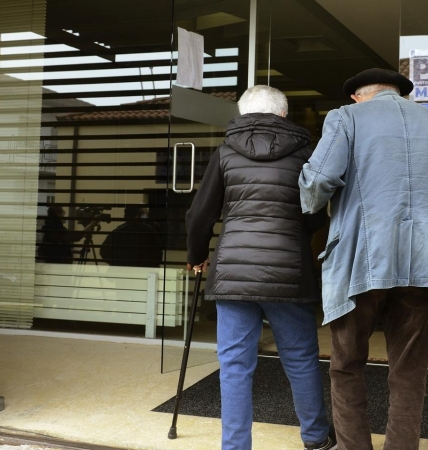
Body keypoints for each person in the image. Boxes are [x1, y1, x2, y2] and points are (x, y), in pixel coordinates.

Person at [298, 68, 428, 450]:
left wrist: (311, 204)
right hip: (427, 261)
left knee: (347, 364)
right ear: (400, 93)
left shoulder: (345, 118)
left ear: (356, 96)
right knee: (409, 371)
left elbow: (318, 182)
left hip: (360, 261)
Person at [185, 85, 335, 450]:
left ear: (242, 114)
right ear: (283, 114)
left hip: (234, 271)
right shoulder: (307, 151)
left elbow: (199, 214)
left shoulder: (225, 152)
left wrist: (197, 255)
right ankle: (316, 437)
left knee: (235, 364)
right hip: (288, 270)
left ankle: (235, 447)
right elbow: (317, 210)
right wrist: (299, 231)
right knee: (300, 358)